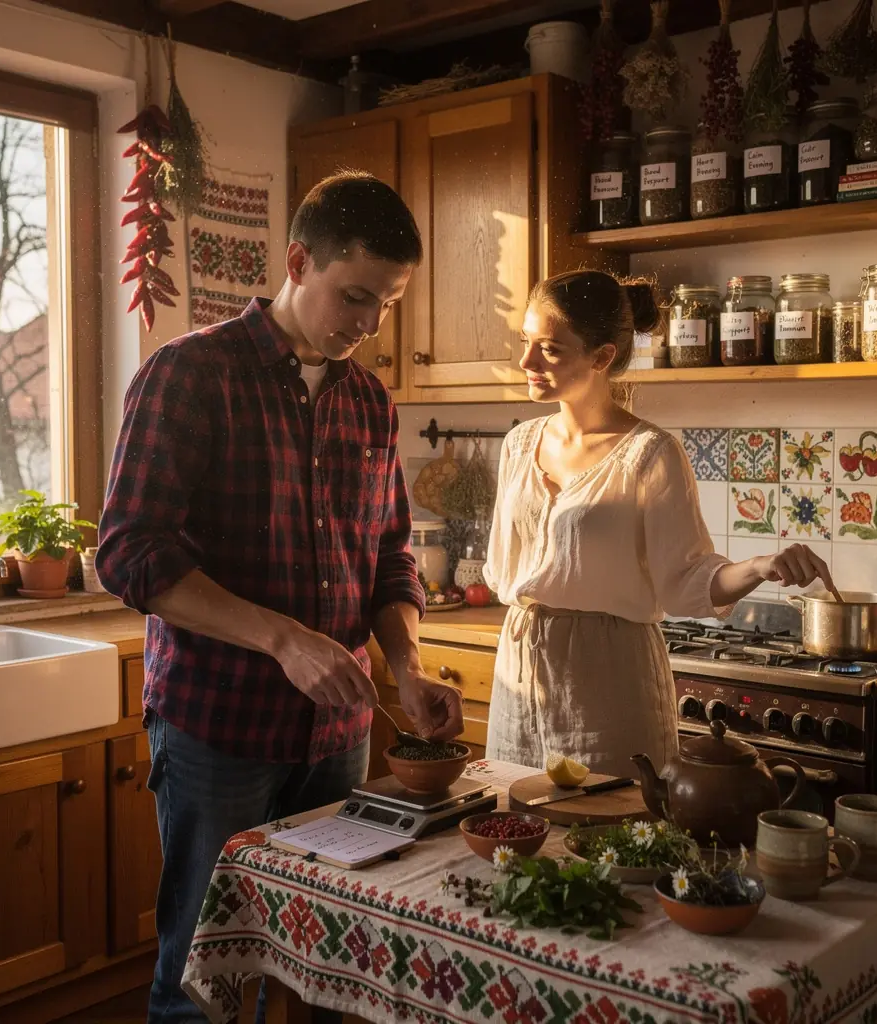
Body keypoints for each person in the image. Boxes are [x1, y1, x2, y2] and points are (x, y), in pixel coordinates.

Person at [97, 171, 464, 1024]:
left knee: (319, 968)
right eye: (355, 297)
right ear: (299, 261)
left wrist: (404, 665)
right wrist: (283, 639)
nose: (369, 325)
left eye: (387, 306)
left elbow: (389, 559)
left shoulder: (371, 402)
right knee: (202, 978)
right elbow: (130, 554)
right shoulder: (189, 374)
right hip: (217, 729)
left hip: (335, 738)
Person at [483, 270, 837, 777]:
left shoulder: (649, 454)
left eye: (551, 349)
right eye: (526, 342)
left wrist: (759, 565)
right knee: (515, 837)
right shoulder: (519, 445)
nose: (526, 362)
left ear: (602, 357)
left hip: (606, 680)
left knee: (611, 841)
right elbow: (504, 570)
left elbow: (687, 579)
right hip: (519, 670)